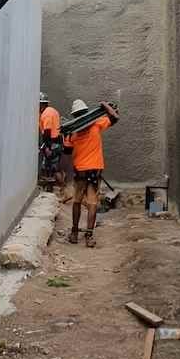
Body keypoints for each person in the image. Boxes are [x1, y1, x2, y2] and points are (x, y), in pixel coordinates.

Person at [63, 98, 119, 247]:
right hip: (94, 170)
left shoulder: (71, 133)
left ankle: (74, 233)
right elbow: (115, 117)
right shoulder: (97, 124)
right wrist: (105, 105)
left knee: (77, 201)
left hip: (80, 171)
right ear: (87, 113)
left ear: (75, 116)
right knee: (93, 202)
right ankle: (89, 236)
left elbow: (67, 151)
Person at [38, 92, 63, 190]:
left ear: (41, 104)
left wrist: (47, 147)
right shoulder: (52, 111)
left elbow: (47, 131)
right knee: (53, 166)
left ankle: (60, 188)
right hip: (56, 142)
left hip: (52, 143)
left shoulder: (46, 114)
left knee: (49, 167)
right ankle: (59, 187)